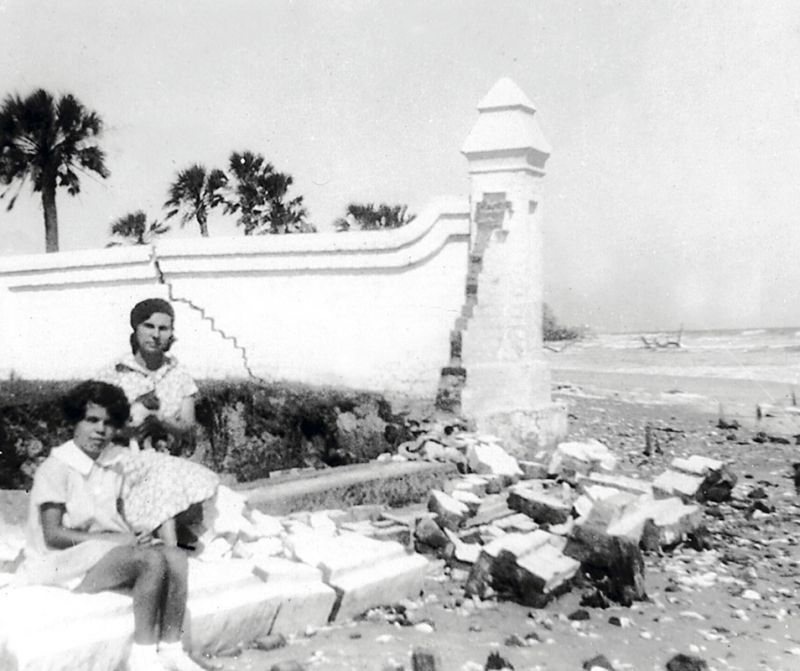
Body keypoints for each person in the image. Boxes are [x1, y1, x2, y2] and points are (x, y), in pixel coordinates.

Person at [20, 380, 205, 671]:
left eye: (108, 423)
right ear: (74, 421)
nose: (100, 430)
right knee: (149, 561)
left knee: (176, 557)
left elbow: (118, 512)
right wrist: (116, 540)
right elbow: (53, 535)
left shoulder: (113, 461)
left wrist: (137, 531)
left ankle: (171, 647)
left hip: (104, 552)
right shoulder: (57, 467)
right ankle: (142, 655)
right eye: (91, 420)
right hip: (62, 563)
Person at [97, 298, 218, 547]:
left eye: (164, 329)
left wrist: (159, 420)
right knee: (161, 474)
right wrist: (126, 428)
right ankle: (169, 550)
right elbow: (95, 425)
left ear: (172, 333)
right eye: (148, 326)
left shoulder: (179, 374)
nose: (156, 335)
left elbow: (187, 426)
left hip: (166, 457)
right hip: (121, 458)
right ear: (136, 329)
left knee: (167, 472)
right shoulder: (113, 373)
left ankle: (161, 546)